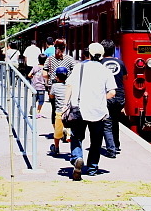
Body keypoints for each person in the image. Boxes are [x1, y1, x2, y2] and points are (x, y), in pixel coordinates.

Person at [66, 42, 116, 180]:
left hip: (79, 108)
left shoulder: (79, 67)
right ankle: (93, 168)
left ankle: (77, 158)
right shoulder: (106, 70)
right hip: (98, 111)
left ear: (88, 53)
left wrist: (65, 104)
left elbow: (69, 85)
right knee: (96, 140)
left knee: (76, 137)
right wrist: (100, 98)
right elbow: (112, 92)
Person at [101, 39, 127, 157]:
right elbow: (125, 77)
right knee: (116, 121)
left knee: (107, 123)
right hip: (120, 96)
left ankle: (111, 150)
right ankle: (116, 145)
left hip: (107, 96)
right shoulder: (120, 63)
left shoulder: (100, 63)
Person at [42, 38, 75, 123]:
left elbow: (44, 74)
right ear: (64, 48)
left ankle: (57, 130)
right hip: (67, 86)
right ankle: (66, 128)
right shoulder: (70, 59)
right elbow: (75, 72)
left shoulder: (49, 59)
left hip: (53, 87)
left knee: (54, 109)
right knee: (67, 107)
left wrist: (51, 77)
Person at [48, 66, 69, 155]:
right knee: (71, 129)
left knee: (57, 131)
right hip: (69, 112)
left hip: (59, 112)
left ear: (57, 76)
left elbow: (51, 96)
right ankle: (68, 135)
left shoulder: (55, 86)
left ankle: (56, 147)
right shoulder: (69, 86)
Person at [27, 54, 47, 118]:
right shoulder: (45, 68)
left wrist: (33, 77)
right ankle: (38, 112)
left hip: (34, 86)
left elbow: (29, 75)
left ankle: (33, 108)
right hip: (42, 87)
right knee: (41, 101)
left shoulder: (35, 67)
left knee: (34, 99)